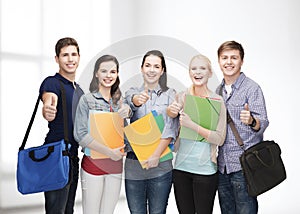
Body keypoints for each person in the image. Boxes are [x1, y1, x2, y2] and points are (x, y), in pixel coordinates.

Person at [166, 54, 227, 214]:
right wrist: (171, 112)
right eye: (194, 68)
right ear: (189, 72)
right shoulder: (181, 96)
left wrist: (192, 125)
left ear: (210, 73)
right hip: (181, 169)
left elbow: (219, 139)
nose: (198, 72)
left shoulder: (218, 101)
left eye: (202, 68)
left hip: (205, 171)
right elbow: (170, 124)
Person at [216, 41, 269, 214]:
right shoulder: (218, 91)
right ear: (219, 61)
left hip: (244, 166)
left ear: (241, 61)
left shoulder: (252, 88)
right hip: (222, 166)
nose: (229, 62)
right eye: (224, 58)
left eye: (234, 58)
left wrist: (253, 121)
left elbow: (263, 122)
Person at [73, 55, 130, 213]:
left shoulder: (120, 102)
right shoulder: (87, 100)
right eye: (104, 71)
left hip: (115, 167)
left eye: (112, 71)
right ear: (96, 73)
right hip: (93, 166)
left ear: (117, 74)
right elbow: (80, 135)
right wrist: (108, 152)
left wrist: (128, 112)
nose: (108, 75)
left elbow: (125, 135)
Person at [124, 50, 178, 214]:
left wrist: (155, 155)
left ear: (162, 71)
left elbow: (171, 127)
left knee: (157, 212)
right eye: (148, 65)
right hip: (134, 164)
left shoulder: (171, 95)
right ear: (141, 68)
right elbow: (129, 106)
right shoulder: (132, 92)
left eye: (156, 66)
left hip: (161, 164)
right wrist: (135, 101)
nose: (152, 70)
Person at [39, 37, 84, 213]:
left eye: (74, 54)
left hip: (72, 156)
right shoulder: (52, 82)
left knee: (68, 210)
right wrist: (48, 110)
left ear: (79, 57)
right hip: (55, 156)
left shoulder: (79, 90)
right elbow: (49, 100)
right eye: (65, 55)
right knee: (56, 210)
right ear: (57, 59)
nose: (70, 59)